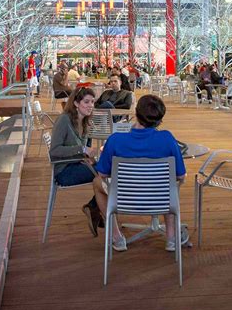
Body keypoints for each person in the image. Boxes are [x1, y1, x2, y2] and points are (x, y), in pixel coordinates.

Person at [93, 94, 187, 252]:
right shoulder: (167, 139)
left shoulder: (115, 140)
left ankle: (116, 237)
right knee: (170, 183)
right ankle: (172, 238)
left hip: (123, 199)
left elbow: (102, 174)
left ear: (135, 114)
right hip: (161, 199)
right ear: (159, 119)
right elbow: (180, 176)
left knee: (96, 183)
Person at [49, 87, 102, 237]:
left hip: (76, 164)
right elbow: (54, 151)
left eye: (92, 102)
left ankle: (97, 208)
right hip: (64, 171)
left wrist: (87, 157)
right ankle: (95, 208)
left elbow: (82, 151)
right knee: (108, 170)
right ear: (77, 103)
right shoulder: (64, 120)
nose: (90, 105)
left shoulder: (84, 121)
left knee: (107, 170)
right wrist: (82, 150)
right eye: (86, 102)